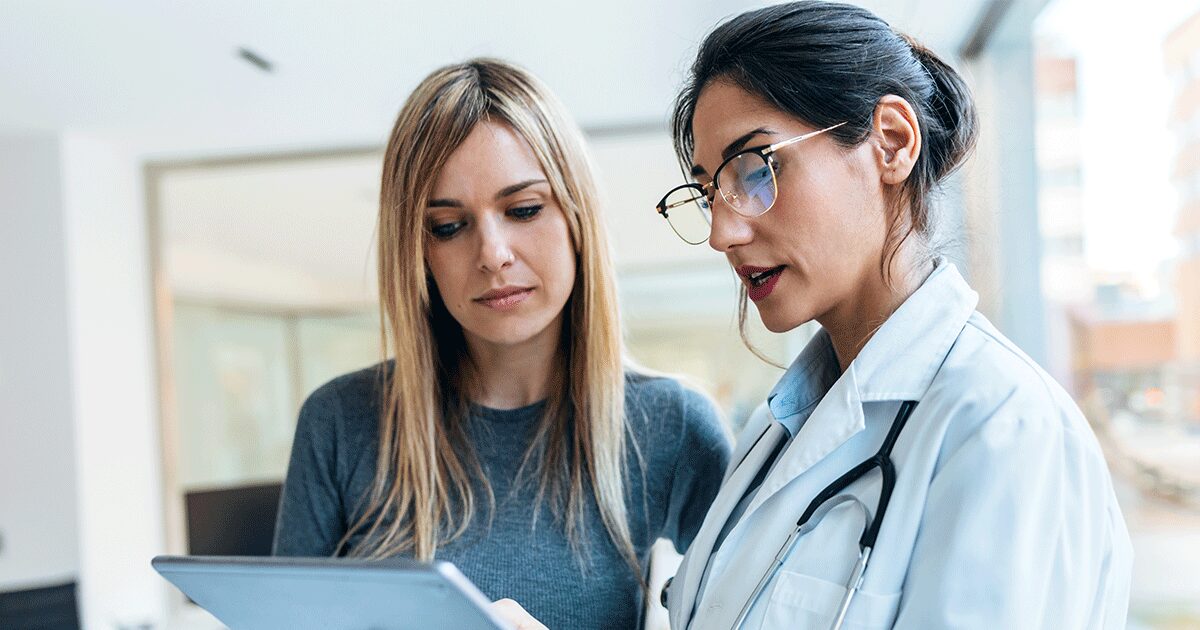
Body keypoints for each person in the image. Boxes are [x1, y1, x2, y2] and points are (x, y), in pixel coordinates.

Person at [493, 2, 1133, 629]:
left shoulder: (1003, 429)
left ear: (891, 142)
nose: (722, 231)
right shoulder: (774, 437)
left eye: (755, 168)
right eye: (710, 189)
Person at [272, 58, 731, 630]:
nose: (492, 253)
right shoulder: (341, 423)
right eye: (447, 225)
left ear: (576, 217)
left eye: (523, 210)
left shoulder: (672, 426)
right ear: (418, 252)